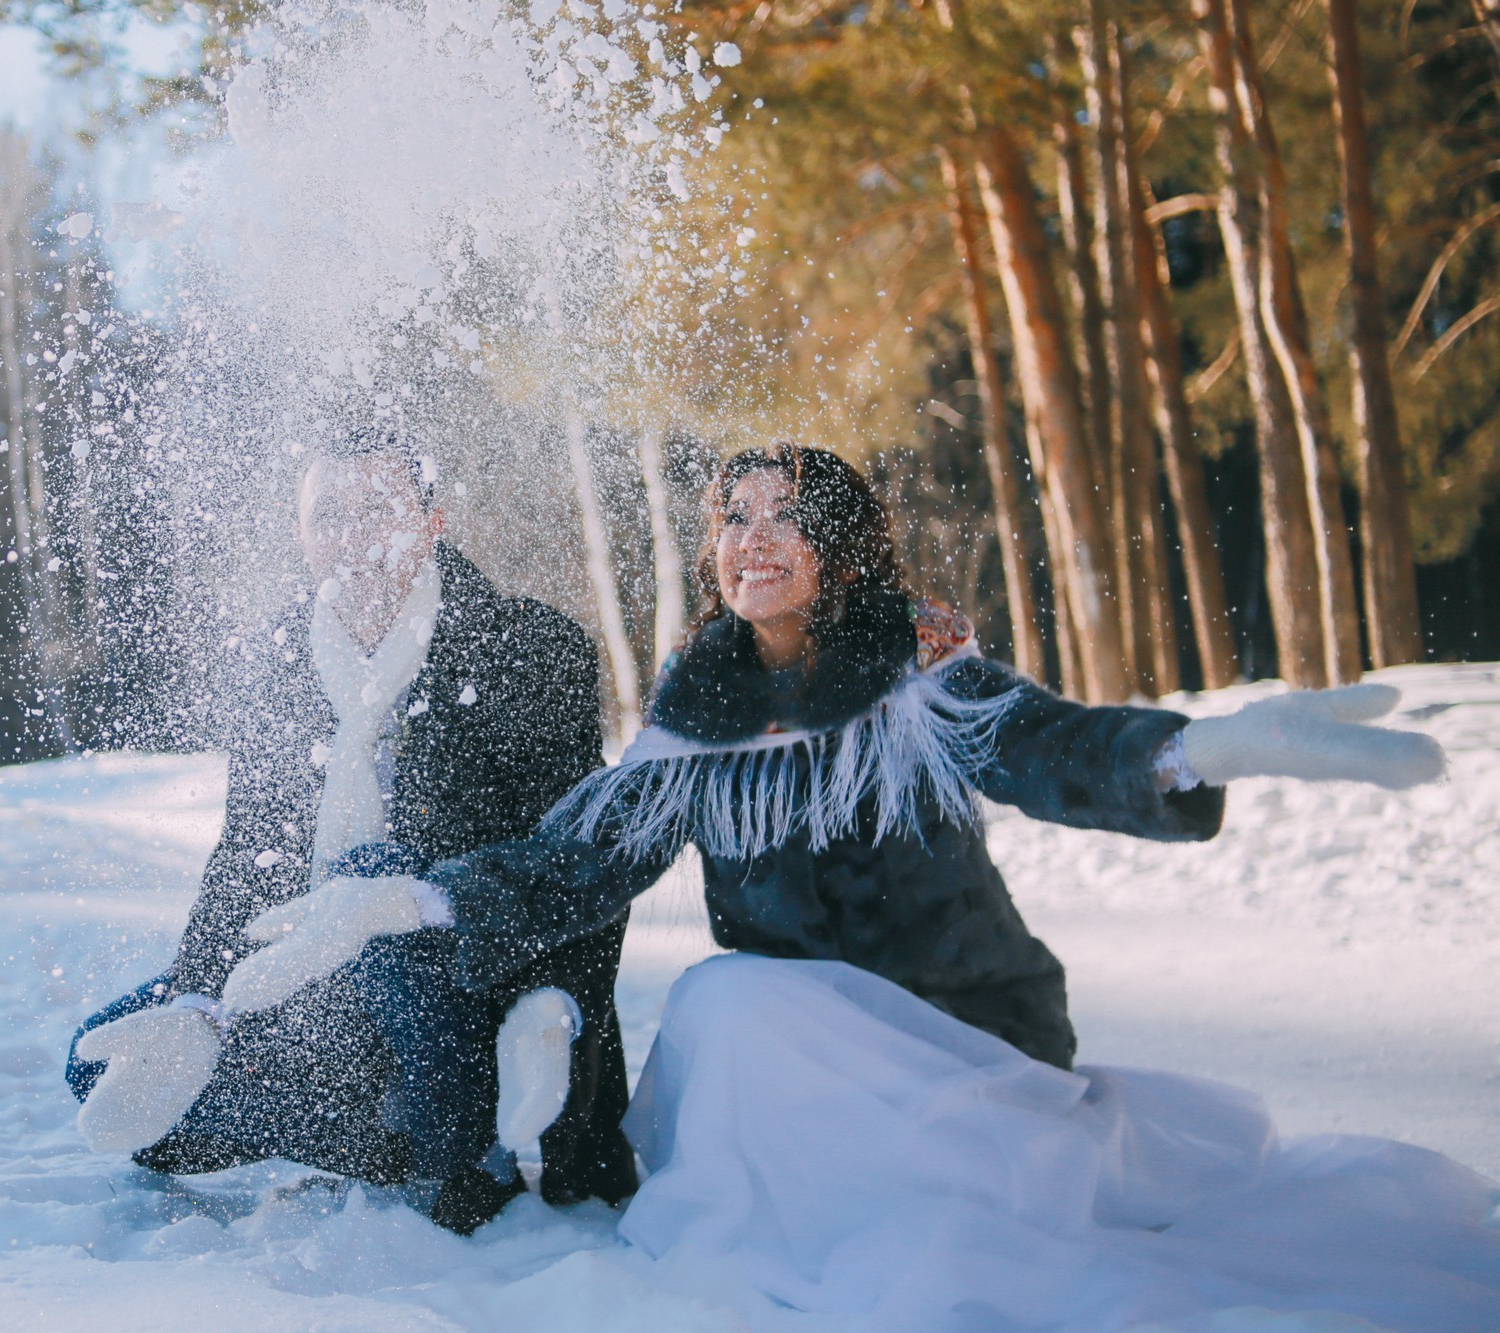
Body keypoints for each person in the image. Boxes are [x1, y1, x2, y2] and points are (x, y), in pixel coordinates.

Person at [216, 444, 1500, 1327]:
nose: (749, 541)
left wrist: (1189, 748)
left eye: (782, 517)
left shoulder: (919, 677)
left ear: (836, 543)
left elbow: (1049, 747)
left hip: (963, 1051)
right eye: (730, 517)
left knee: (733, 1008)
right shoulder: (696, 717)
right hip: (802, 1083)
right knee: (734, 1006)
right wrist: (413, 899)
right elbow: (574, 857)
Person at [66, 436, 638, 1233]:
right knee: (90, 1062)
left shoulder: (526, 650)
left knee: (374, 873)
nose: (352, 535)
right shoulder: (277, 657)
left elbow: (578, 868)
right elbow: (248, 852)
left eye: (379, 510)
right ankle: (400, 1139)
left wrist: (552, 1012)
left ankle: (458, 1137)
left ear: (434, 522)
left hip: (475, 1005)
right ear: (299, 535)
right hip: (321, 992)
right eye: (327, 515)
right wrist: (198, 1000)